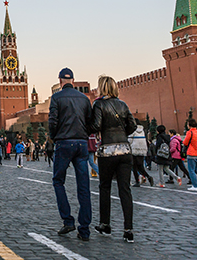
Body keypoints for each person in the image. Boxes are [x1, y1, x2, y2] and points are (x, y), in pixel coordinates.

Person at [90, 75, 137, 243]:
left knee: (105, 187)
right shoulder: (123, 104)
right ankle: (128, 229)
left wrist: (91, 128)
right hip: (125, 150)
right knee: (125, 190)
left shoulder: (99, 104)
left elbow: (96, 125)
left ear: (102, 88)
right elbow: (132, 125)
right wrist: (122, 135)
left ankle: (105, 224)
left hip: (108, 151)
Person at [48, 67, 92, 241]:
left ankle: (68, 221)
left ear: (60, 81)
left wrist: (54, 137)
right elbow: (90, 121)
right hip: (81, 144)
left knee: (58, 181)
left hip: (64, 143)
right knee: (84, 186)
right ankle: (85, 229)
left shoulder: (56, 97)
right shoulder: (84, 98)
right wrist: (83, 135)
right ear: (73, 81)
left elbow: (53, 121)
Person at [128, 122, 153, 187]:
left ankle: (137, 181)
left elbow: (129, 141)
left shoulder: (132, 131)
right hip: (142, 150)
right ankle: (148, 176)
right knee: (140, 166)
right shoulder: (143, 131)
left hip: (134, 150)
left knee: (134, 167)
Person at [183, 118, 197, 191]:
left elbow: (185, 142)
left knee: (191, 170)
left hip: (192, 153)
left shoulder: (190, 132)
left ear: (189, 125)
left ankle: (195, 185)